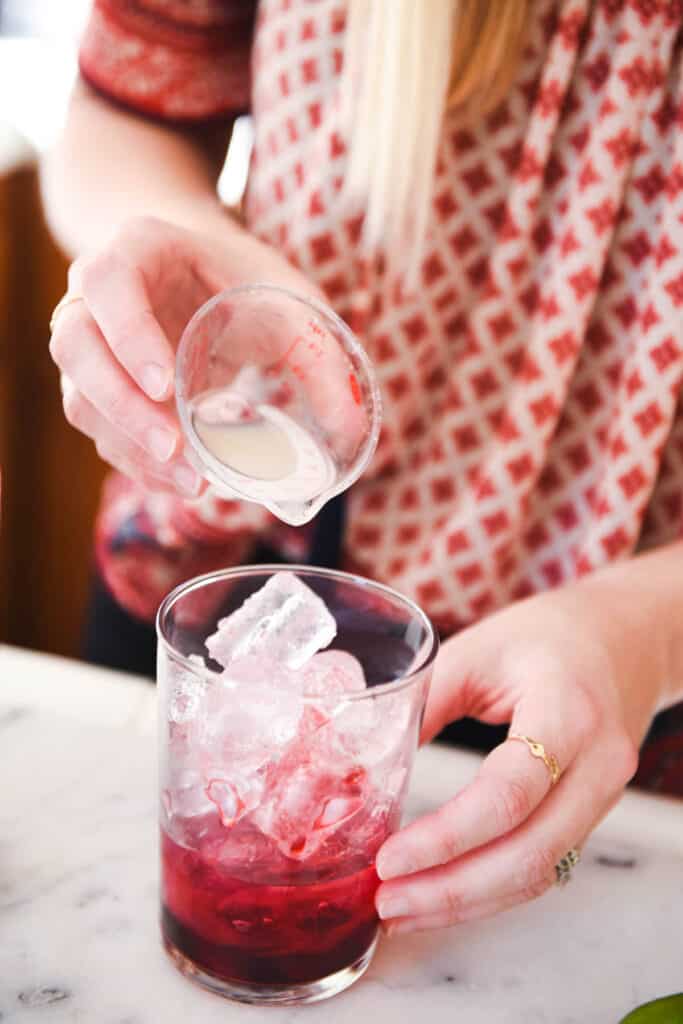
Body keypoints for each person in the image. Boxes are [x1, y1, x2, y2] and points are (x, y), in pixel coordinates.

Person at [45, 0, 683, 935]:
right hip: (218, 565)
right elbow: (127, 108)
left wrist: (644, 633)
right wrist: (169, 243)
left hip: (609, 675)